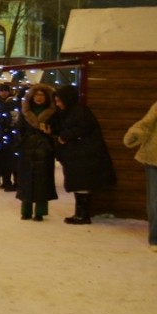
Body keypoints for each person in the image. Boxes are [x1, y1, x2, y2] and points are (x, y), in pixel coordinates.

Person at [52, 85, 116, 225]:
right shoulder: (71, 112)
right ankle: (80, 213)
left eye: (59, 100)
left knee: (82, 184)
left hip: (83, 156)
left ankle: (83, 215)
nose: (58, 104)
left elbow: (83, 129)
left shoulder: (79, 112)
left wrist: (65, 136)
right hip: (79, 156)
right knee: (79, 184)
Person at [15, 83, 58, 221]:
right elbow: (19, 129)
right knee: (26, 179)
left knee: (42, 180)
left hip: (44, 149)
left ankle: (40, 211)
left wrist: (51, 134)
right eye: (36, 95)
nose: (39, 98)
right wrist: (21, 142)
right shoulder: (25, 112)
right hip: (27, 148)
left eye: (42, 95)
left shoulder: (53, 113)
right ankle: (25, 210)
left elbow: (58, 130)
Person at [123, 99, 157, 251]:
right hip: (154, 157)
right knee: (155, 200)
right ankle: (155, 238)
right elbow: (147, 123)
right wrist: (135, 134)